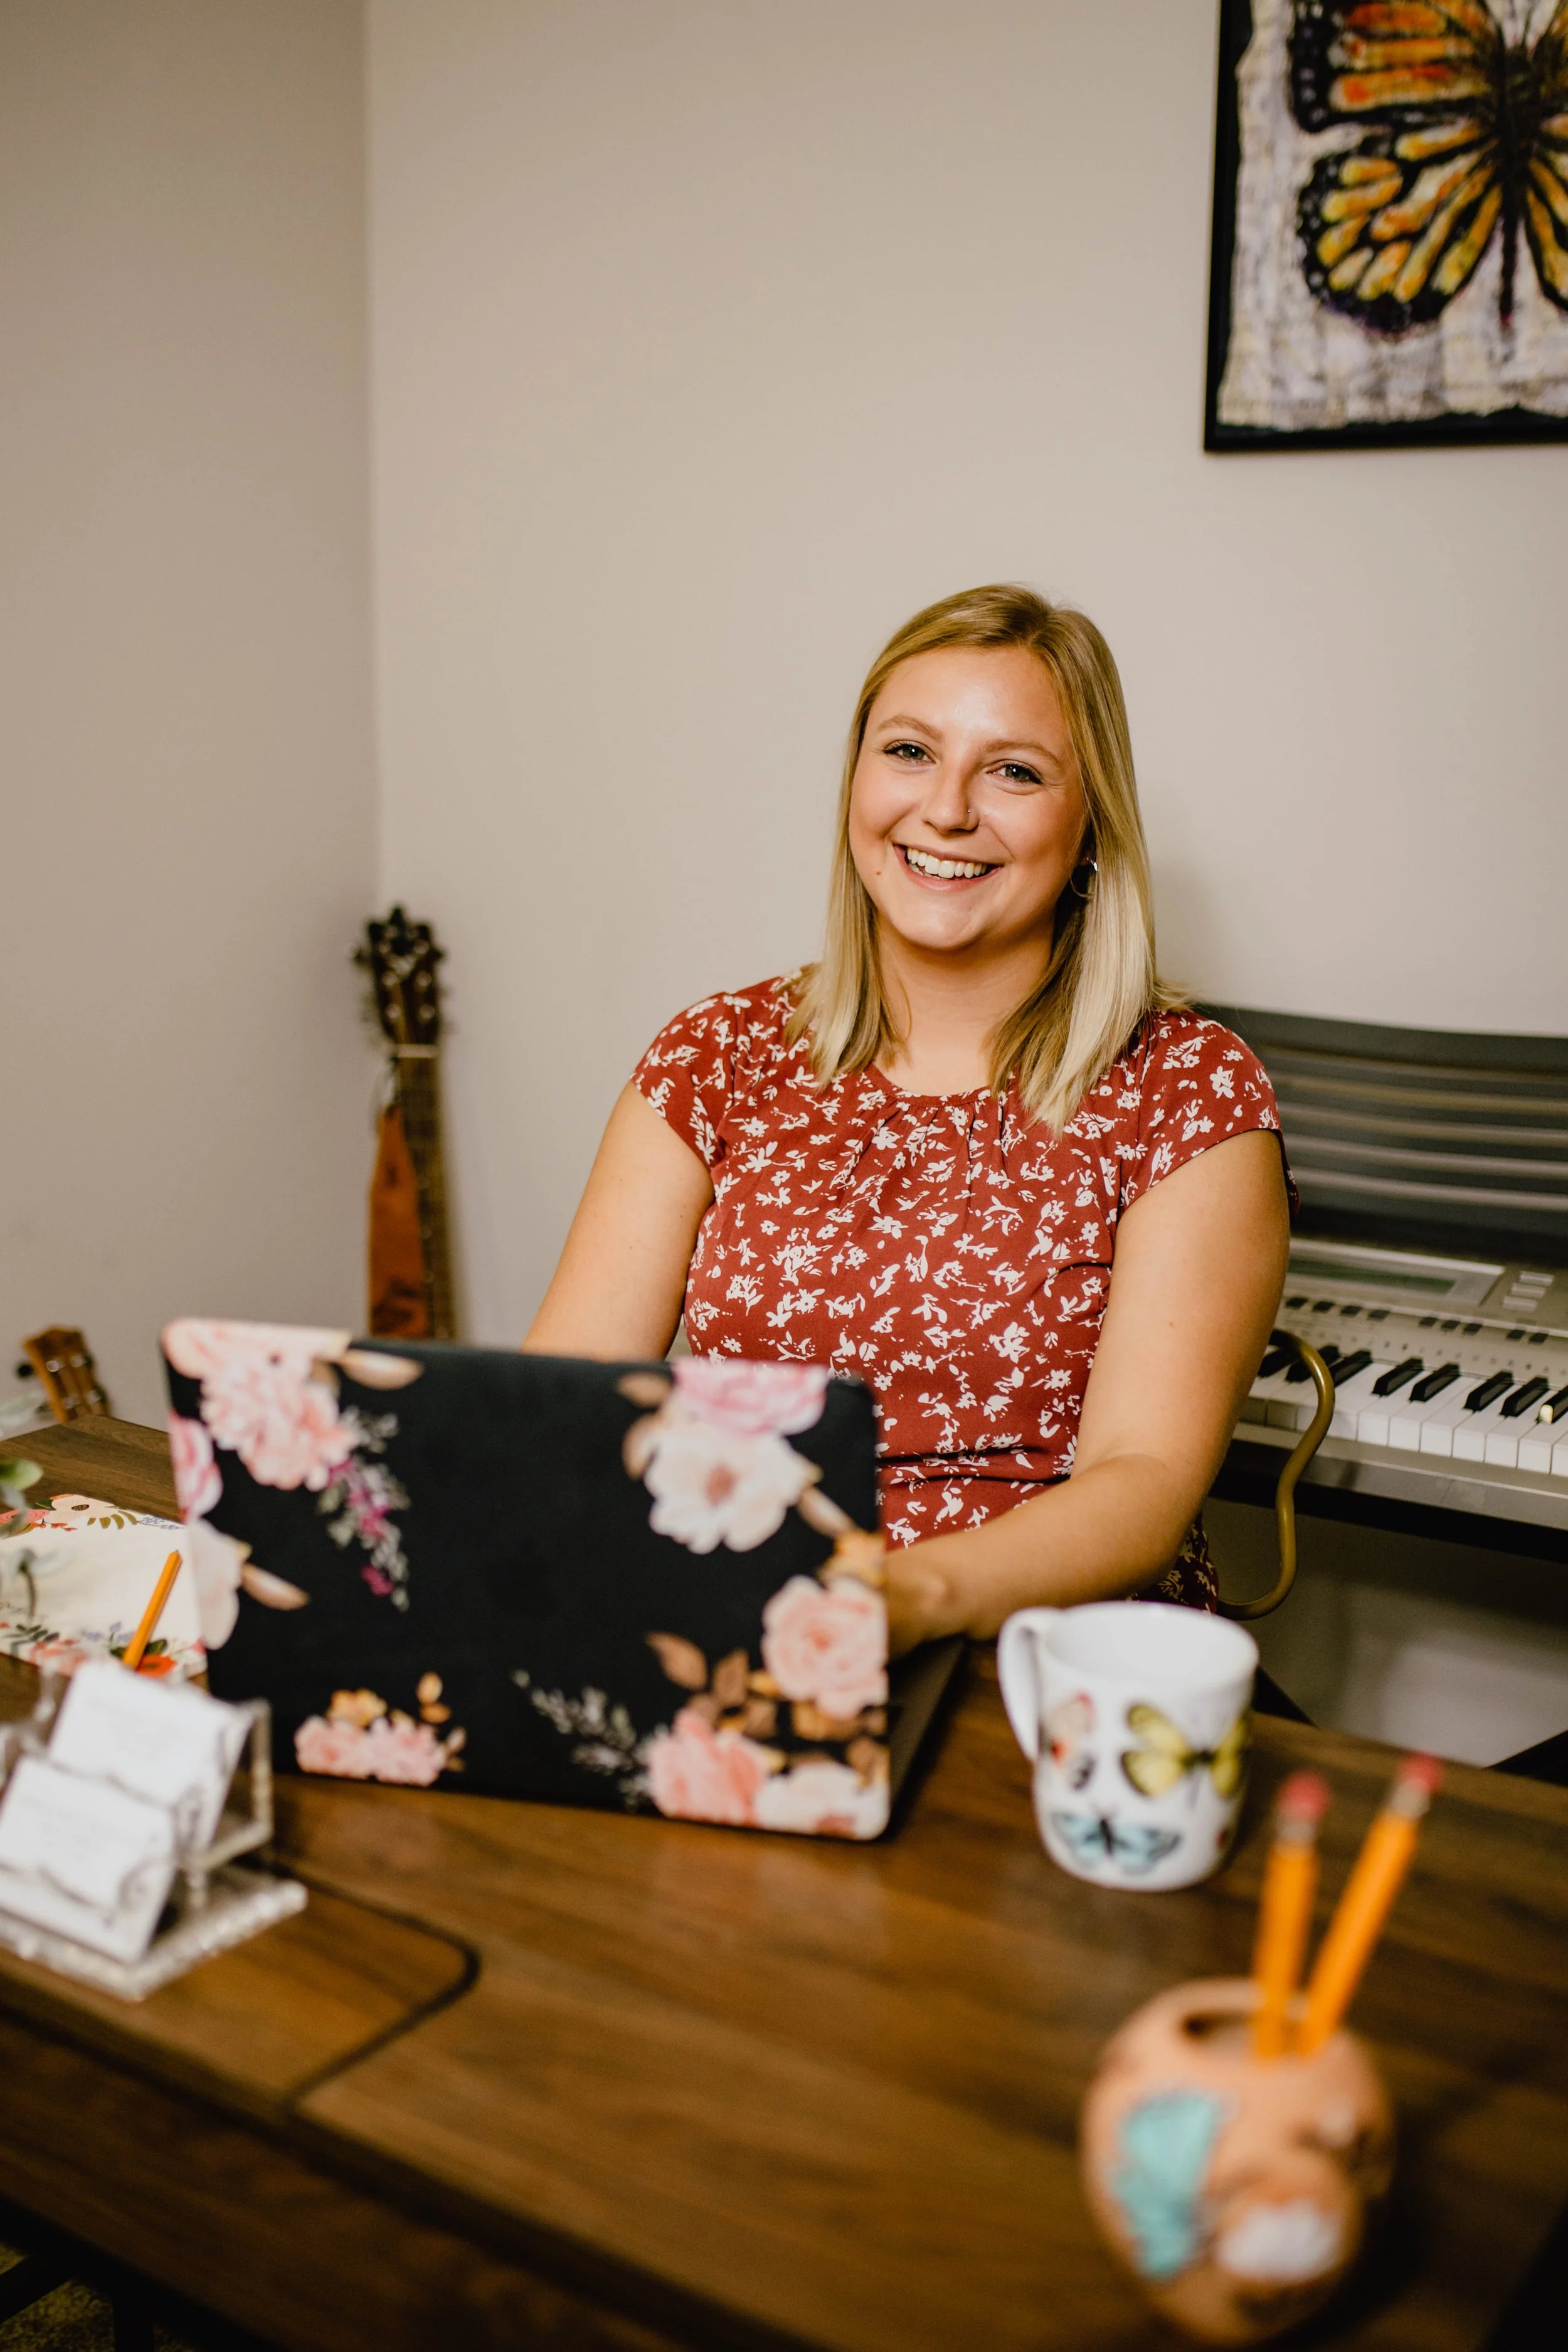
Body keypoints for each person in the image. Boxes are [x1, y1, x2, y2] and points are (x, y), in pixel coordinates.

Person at [526, 584, 1290, 1648]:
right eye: (909, 752)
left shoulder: (1189, 1092)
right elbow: (557, 1408)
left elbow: (1144, 1481)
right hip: (732, 1632)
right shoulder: (715, 1055)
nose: (947, 810)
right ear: (855, 782)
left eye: (1015, 771)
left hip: (1037, 1662)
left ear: (1090, 826)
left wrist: (889, 1602)